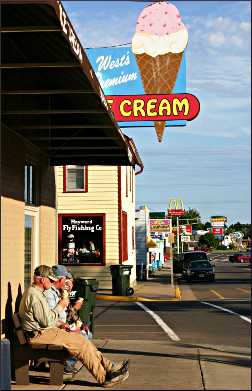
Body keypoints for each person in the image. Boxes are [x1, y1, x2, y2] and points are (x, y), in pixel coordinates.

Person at [19, 265, 129, 387]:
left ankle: (109, 367)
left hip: (44, 332)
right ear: (41, 279)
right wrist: (60, 306)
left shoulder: (37, 293)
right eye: (50, 280)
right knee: (79, 343)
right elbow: (46, 321)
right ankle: (103, 378)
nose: (52, 283)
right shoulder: (35, 295)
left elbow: (45, 319)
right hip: (38, 335)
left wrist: (60, 324)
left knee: (81, 340)